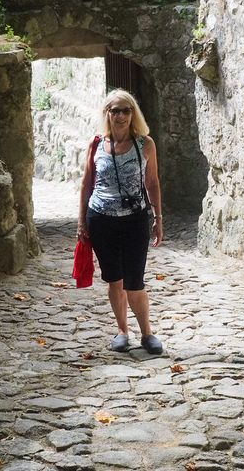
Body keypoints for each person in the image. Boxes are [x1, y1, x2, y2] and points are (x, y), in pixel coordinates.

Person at [77, 89, 164, 355]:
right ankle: (122, 331)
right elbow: (86, 184)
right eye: (115, 110)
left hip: (135, 220)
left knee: (134, 280)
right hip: (101, 219)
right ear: (107, 114)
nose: (121, 116)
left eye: (126, 110)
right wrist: (82, 222)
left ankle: (147, 334)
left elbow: (152, 182)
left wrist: (158, 218)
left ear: (133, 114)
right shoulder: (96, 144)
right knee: (114, 278)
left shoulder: (145, 144)